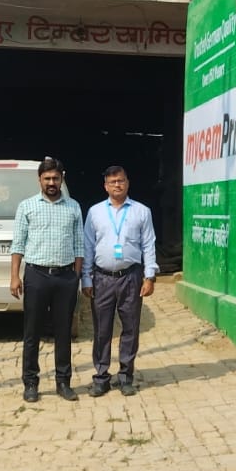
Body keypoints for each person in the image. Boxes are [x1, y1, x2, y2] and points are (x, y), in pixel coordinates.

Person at [9, 157, 83, 403]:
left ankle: (64, 382)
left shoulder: (73, 207)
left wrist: (76, 277)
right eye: (47, 178)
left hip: (65, 277)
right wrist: (14, 277)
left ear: (62, 179)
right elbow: (18, 244)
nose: (51, 183)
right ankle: (31, 383)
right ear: (39, 180)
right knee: (32, 331)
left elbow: (79, 246)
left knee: (63, 332)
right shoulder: (27, 207)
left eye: (55, 178)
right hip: (36, 276)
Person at [81, 165, 158, 397]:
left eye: (121, 180)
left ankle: (126, 376)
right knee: (102, 330)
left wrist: (150, 276)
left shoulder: (141, 211)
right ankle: (101, 377)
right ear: (105, 186)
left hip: (131, 277)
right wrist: (86, 278)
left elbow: (149, 244)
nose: (117, 185)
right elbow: (88, 246)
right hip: (102, 278)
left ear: (128, 183)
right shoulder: (95, 212)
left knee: (130, 328)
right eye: (112, 181)